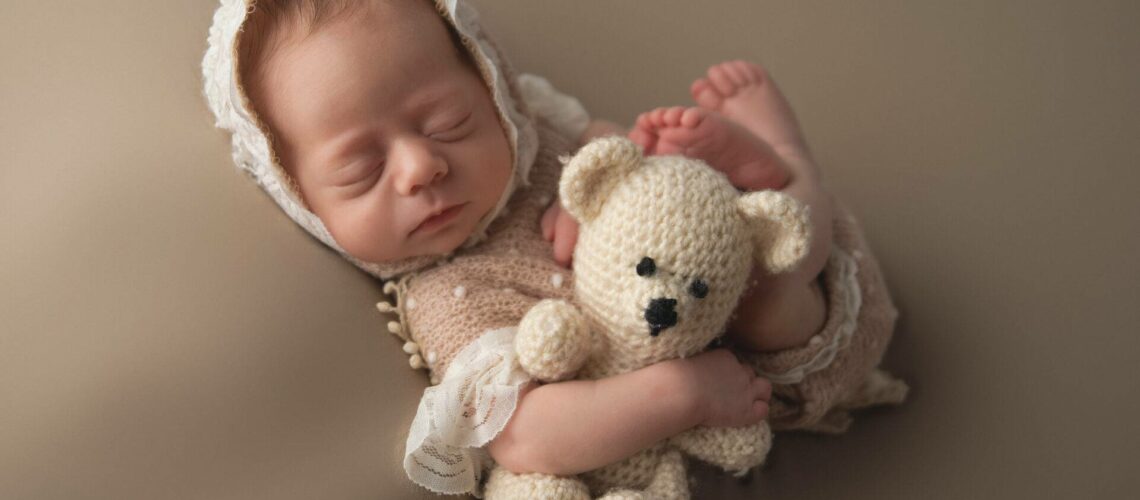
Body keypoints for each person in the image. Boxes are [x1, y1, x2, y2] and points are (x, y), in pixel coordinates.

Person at [202, 0, 907, 496]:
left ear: (494, 86)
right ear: (301, 199)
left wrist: (600, 179)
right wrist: (681, 392)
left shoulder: (535, 138)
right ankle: (782, 170)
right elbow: (528, 438)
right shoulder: (453, 296)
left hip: (747, 251)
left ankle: (782, 163)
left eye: (450, 121)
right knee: (768, 304)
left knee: (759, 241)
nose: (421, 167)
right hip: (765, 366)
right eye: (361, 170)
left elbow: (619, 147)